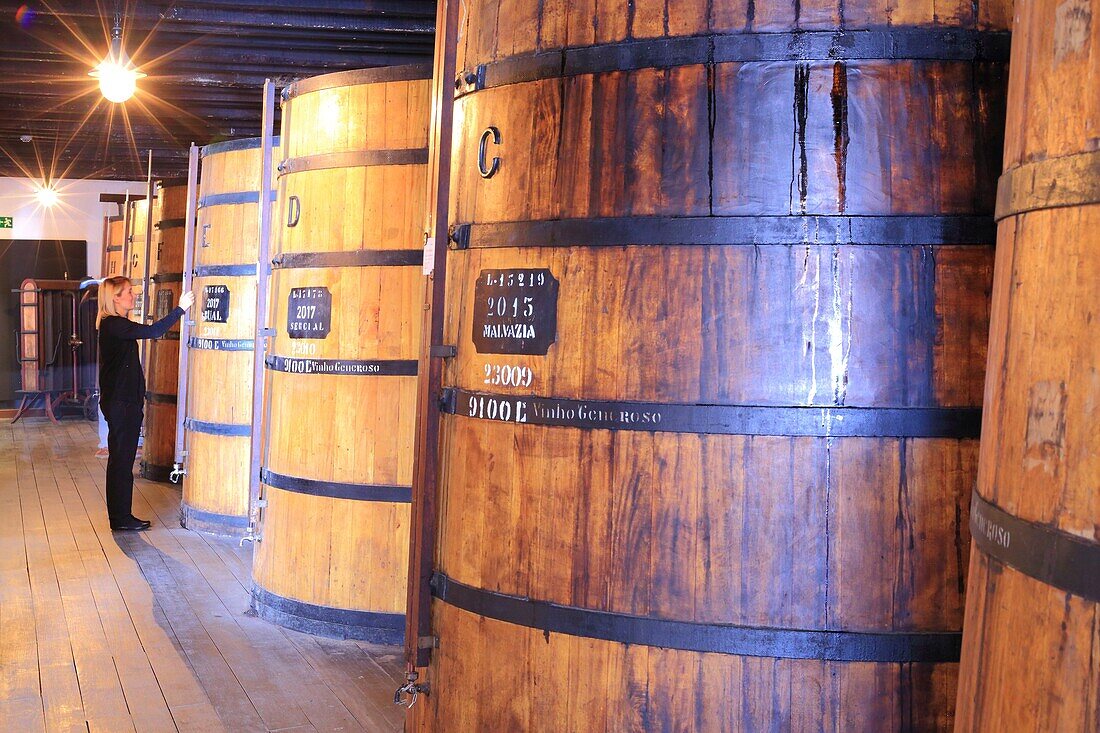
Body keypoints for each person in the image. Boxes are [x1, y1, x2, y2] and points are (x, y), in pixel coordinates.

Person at [97, 276, 194, 531]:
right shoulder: (114, 325)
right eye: (128, 292)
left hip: (121, 402)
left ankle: (120, 517)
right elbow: (153, 332)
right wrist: (181, 309)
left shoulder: (114, 325)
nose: (134, 295)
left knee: (119, 460)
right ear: (115, 298)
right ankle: (120, 518)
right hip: (122, 404)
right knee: (121, 462)